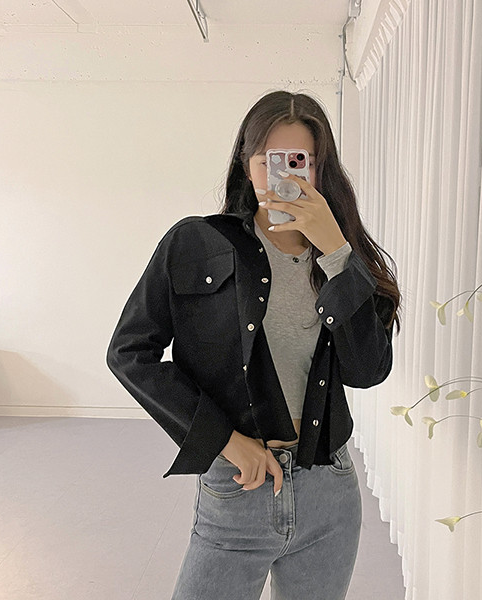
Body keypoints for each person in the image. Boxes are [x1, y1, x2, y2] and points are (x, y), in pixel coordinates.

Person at [106, 90, 401, 600]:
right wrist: (223, 439)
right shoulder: (197, 243)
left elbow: (366, 371)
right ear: (246, 165)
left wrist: (336, 251)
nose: (280, 174)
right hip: (237, 487)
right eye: (267, 159)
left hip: (329, 493)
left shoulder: (343, 260)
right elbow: (130, 352)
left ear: (319, 168)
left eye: (298, 160)